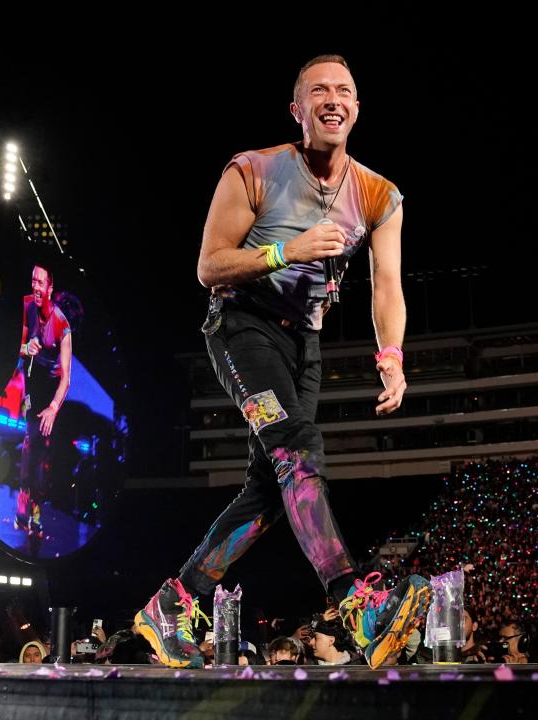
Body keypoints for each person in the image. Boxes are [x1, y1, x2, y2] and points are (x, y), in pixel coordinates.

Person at [135, 54, 429, 670]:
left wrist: (393, 354)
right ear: (297, 110)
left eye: (344, 90)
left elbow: (387, 287)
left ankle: (174, 600)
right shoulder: (255, 170)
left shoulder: (379, 195)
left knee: (272, 489)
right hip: (242, 326)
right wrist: (284, 252)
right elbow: (209, 266)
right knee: (298, 448)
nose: (333, 98)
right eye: (318, 90)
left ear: (355, 108)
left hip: (304, 347)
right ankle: (355, 600)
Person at [15, 264, 72, 537]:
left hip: (51, 394)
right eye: (33, 281)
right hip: (31, 386)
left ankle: (35, 504)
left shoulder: (62, 325)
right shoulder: (26, 305)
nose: (36, 287)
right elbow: (14, 344)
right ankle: (23, 499)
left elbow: (66, 379)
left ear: (50, 288)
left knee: (44, 448)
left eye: (41, 283)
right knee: (31, 439)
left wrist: (53, 408)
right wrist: (26, 348)